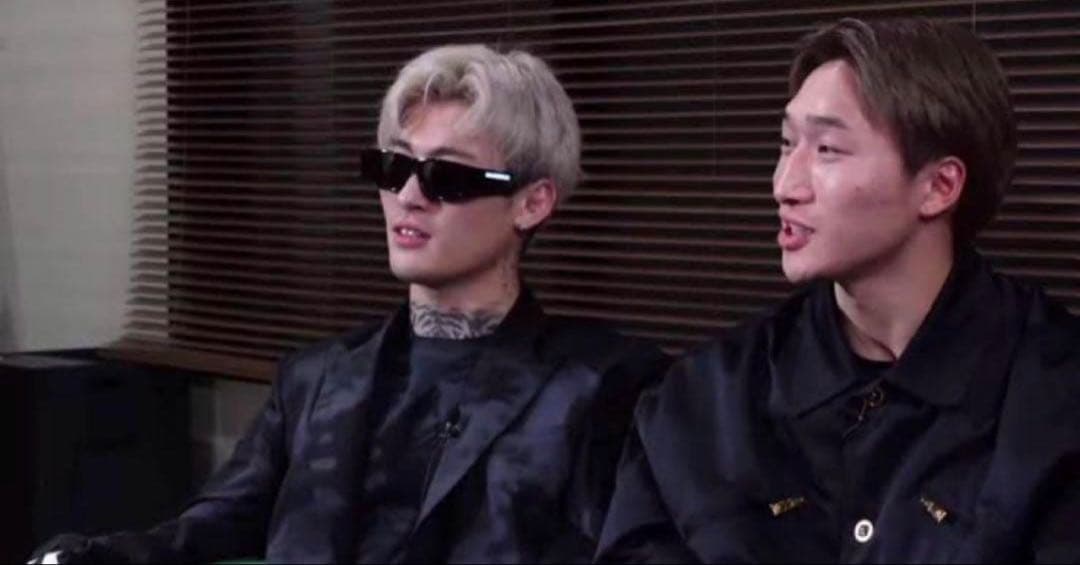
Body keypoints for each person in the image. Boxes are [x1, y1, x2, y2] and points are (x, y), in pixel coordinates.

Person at [29, 44, 669, 564]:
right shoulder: (317, 378)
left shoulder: (606, 387)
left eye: (445, 176)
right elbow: (209, 530)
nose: (408, 197)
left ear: (532, 202)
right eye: (394, 169)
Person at [596, 17, 1080, 563]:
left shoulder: (1054, 402)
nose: (784, 185)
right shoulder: (704, 401)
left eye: (827, 149)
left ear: (939, 186)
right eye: (786, 144)